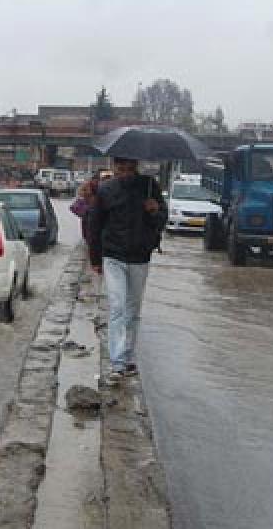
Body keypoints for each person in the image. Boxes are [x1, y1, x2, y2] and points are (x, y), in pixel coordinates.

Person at [87, 157, 167, 384]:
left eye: (129, 169)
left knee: (132, 310)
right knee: (117, 306)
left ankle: (128, 357)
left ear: (136, 168)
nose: (125, 174)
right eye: (120, 169)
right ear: (114, 168)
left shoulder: (149, 187)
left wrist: (154, 211)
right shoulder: (106, 191)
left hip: (140, 257)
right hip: (113, 257)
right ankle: (117, 363)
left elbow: (162, 220)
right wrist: (95, 258)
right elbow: (95, 225)